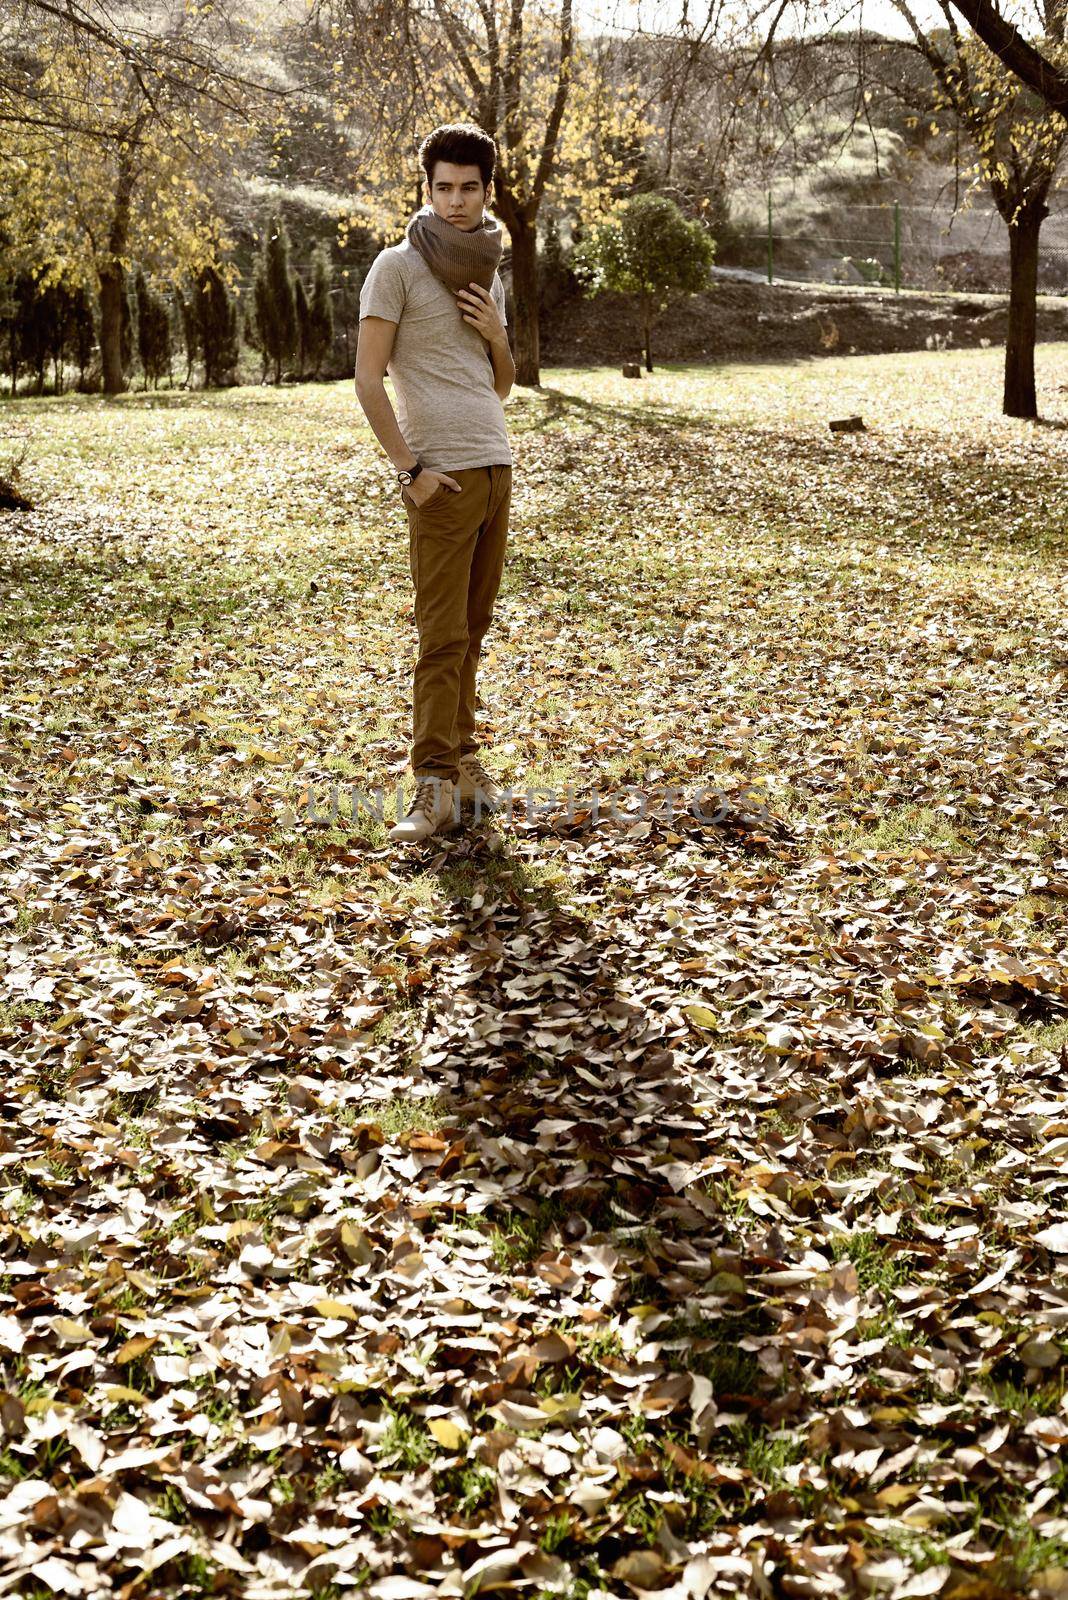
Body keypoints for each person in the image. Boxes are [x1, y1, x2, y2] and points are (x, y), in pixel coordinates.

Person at [355, 122, 516, 844]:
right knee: (440, 636)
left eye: (469, 188)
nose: (456, 202)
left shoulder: (487, 270)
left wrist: (497, 336)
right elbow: (366, 381)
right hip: (440, 477)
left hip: (495, 463)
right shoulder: (395, 267)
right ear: (426, 190)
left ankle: (465, 764)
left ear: (488, 191)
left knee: (473, 629)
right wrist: (410, 472)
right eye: (443, 188)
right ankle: (431, 784)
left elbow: (501, 385)